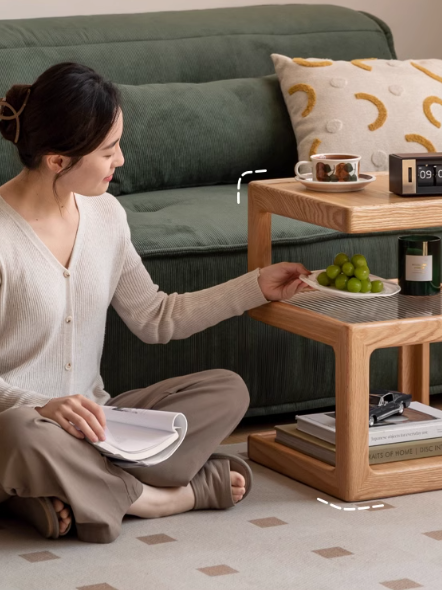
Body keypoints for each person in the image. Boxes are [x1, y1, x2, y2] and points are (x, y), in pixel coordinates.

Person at [0, 62, 313, 544]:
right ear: (58, 160)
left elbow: (155, 317)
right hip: (21, 422)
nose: (120, 160)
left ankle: (62, 491)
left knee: (227, 389)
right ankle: (163, 497)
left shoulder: (106, 215)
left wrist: (255, 287)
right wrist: (43, 406)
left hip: (97, 424)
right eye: (108, 151)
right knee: (23, 434)